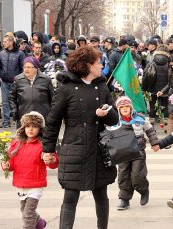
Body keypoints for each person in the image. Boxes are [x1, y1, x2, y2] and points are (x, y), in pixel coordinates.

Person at [41, 46, 119, 229]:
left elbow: (114, 118)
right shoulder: (66, 88)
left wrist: (105, 114)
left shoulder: (101, 86)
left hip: (100, 150)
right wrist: (48, 150)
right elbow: (53, 122)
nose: (101, 66)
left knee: (101, 194)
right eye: (98, 63)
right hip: (75, 149)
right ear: (88, 66)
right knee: (70, 197)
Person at [1, 111, 59, 229]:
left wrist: (51, 159)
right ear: (23, 127)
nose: (30, 129)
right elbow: (11, 163)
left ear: (40, 129)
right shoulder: (16, 143)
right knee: (24, 210)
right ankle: (40, 223)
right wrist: (6, 165)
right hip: (20, 183)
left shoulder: (43, 145)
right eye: (27, 126)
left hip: (35, 185)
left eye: (34, 126)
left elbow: (53, 163)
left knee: (27, 214)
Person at [112, 96, 160, 210]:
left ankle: (144, 190)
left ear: (131, 107)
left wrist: (155, 143)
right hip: (122, 153)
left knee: (137, 175)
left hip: (138, 151)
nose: (124, 109)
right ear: (118, 109)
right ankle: (124, 199)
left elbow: (150, 131)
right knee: (123, 175)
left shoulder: (140, 118)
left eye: (127, 106)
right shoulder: (115, 121)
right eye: (122, 107)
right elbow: (109, 134)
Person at [9, 56, 54, 128]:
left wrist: (52, 114)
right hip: (24, 115)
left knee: (42, 137)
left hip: (42, 116)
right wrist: (14, 110)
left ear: (36, 68)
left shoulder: (46, 79)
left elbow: (53, 99)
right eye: (25, 67)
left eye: (29, 67)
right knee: (25, 138)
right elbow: (11, 97)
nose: (26, 69)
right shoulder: (18, 79)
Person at [0, 35, 25, 128]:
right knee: (5, 102)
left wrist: (20, 79)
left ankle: (18, 120)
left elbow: (23, 67)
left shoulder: (20, 53)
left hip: (16, 82)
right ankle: (6, 121)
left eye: (5, 41)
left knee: (17, 101)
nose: (3, 43)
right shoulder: (1, 53)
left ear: (11, 42)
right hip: (4, 81)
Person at [142, 45, 170, 122]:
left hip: (152, 89)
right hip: (165, 90)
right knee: (164, 106)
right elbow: (171, 78)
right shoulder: (169, 63)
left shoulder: (151, 62)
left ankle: (152, 124)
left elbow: (145, 75)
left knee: (152, 106)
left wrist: (143, 89)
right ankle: (165, 124)